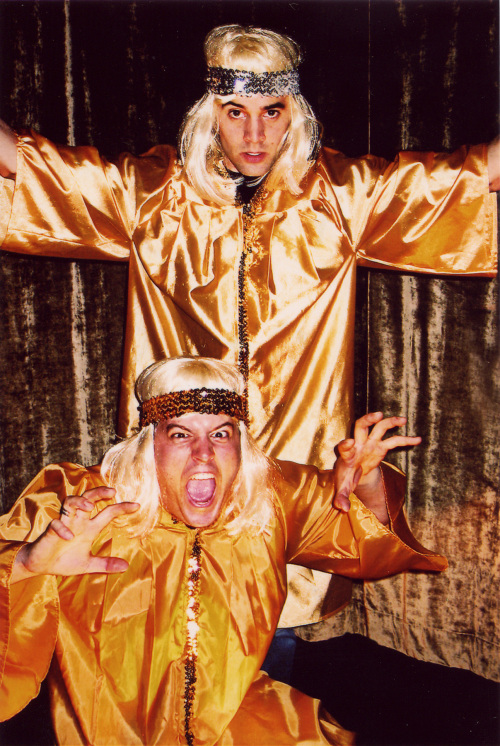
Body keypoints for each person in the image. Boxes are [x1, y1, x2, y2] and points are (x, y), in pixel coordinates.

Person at [0, 24, 497, 628]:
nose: (254, 135)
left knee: (270, 628)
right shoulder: (153, 195)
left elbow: (470, 180)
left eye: (272, 111)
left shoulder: (341, 198)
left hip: (288, 479)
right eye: (235, 111)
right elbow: (28, 168)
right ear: (211, 111)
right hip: (180, 465)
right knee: (166, 627)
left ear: (295, 112)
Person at [0, 355, 446, 745]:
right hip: (105, 726)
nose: (203, 454)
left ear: (240, 443)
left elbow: (361, 541)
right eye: (180, 435)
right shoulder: (79, 501)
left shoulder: (271, 497)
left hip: (238, 716)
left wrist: (366, 482)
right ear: (150, 443)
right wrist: (25, 564)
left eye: (220, 434)